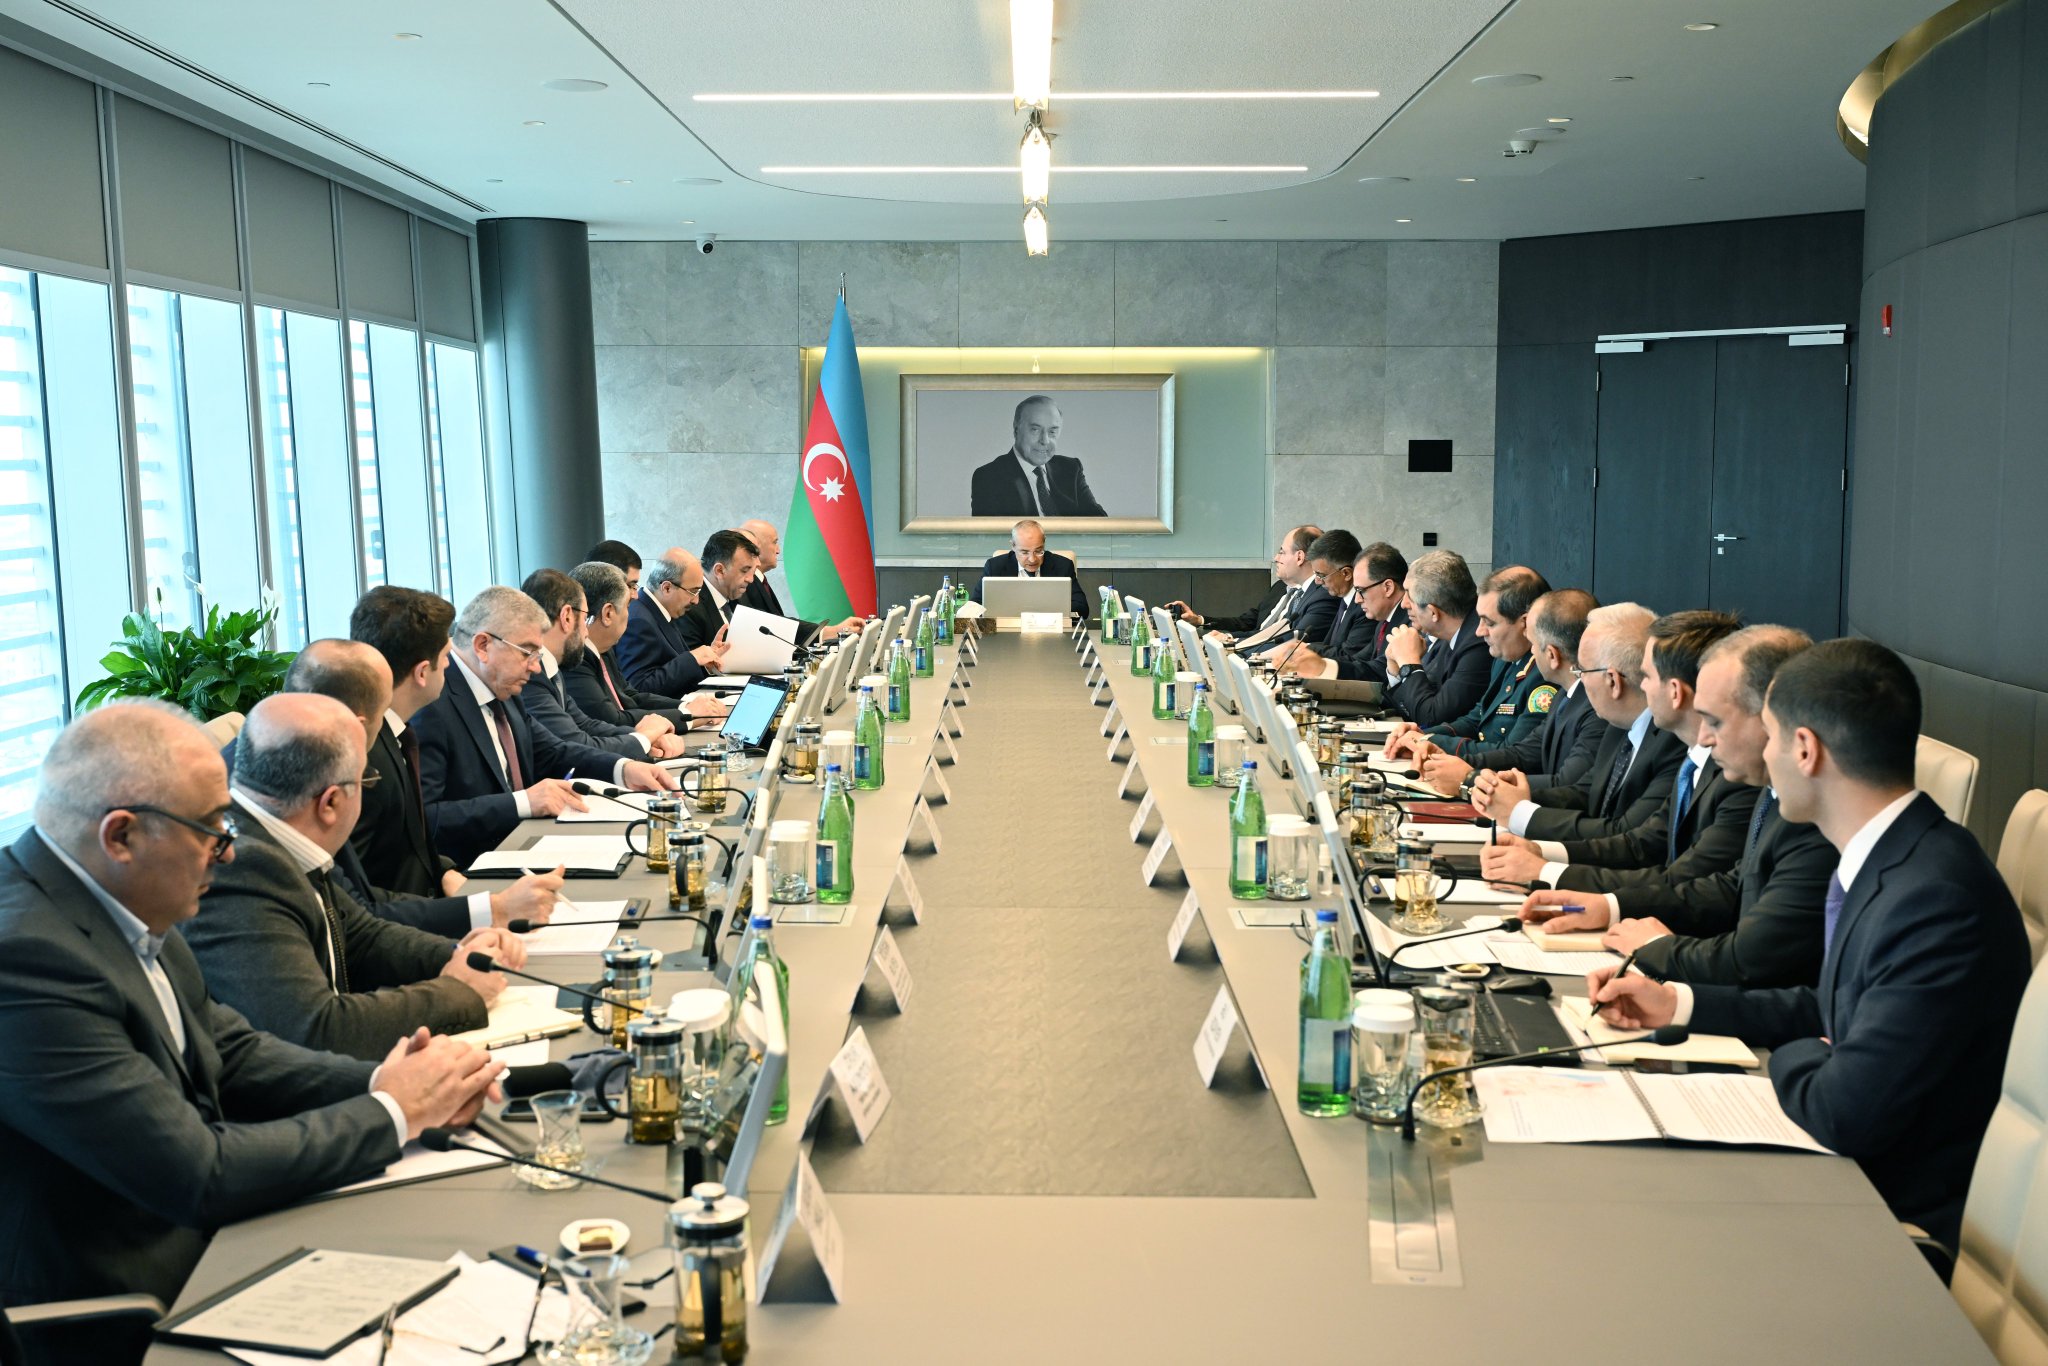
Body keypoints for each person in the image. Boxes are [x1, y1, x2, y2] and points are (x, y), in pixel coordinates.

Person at [0, 700, 503, 1315]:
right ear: (122, 836)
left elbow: (231, 1051)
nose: (229, 852)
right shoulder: (25, 959)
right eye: (212, 829)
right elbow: (197, 1173)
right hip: (132, 1301)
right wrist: (393, 1111)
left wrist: (385, 1082)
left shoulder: (124, 902)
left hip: (212, 1241)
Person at [1584, 639, 2028, 1251]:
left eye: (1768, 736)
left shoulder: (1934, 898)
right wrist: (1678, 1005)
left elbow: (1842, 1110)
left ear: (1804, 749)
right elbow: (1829, 1009)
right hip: (1850, 1171)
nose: (1762, 756)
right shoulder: (1891, 857)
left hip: (1892, 1217)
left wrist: (1803, 1054)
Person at [185, 694, 525, 1060]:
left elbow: (359, 934)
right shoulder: (241, 869)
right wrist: (457, 991)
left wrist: (460, 955)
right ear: (331, 802)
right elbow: (317, 1029)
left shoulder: (277, 831)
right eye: (367, 779)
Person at [1517, 626, 1833, 990]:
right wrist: (1609, 906)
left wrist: (1657, 948)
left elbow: (1750, 958)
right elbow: (1729, 886)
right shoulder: (1773, 793)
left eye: (1715, 721)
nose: (1704, 737)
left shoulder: (1784, 804)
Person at [243, 638, 560, 938]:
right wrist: (490, 911)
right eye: (384, 712)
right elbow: (358, 916)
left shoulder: (289, 762)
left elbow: (357, 902)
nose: (450, 665)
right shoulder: (339, 778)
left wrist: (446, 875)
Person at [1481, 610, 1753, 891]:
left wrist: (1545, 870)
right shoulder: (1637, 735)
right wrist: (1540, 851)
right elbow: (1640, 841)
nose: (1640, 685)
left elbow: (1682, 878)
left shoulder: (1725, 771)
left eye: (1646, 676)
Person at [411, 587, 679, 867]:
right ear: (483, 646)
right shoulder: (431, 703)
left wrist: (623, 768)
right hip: (471, 870)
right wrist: (524, 802)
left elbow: (552, 752)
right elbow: (426, 819)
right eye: (527, 652)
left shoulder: (502, 686)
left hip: (527, 848)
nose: (536, 668)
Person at [1471, 602, 1685, 841]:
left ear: (1613, 681)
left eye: (1582, 671)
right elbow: (1587, 792)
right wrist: (1513, 794)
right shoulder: (1619, 728)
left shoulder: (1672, 743)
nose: (1579, 680)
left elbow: (1626, 836)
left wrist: (1520, 813)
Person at [1411, 587, 1602, 794]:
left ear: (1552, 656)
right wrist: (1450, 758)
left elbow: (1568, 786)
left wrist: (1470, 779)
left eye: (1534, 644)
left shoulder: (1594, 707)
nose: (1532, 651)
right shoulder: (1567, 695)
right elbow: (1525, 751)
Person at [1383, 566, 1553, 771]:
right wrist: (1421, 734)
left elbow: (1512, 754)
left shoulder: (1544, 675)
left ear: (1525, 624)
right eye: (1479, 619)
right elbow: (1475, 719)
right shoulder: (1505, 660)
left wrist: (1430, 742)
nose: (1479, 631)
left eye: (1489, 623)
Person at [519, 568, 686, 760]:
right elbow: (576, 743)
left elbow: (586, 725)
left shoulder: (551, 668)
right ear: (566, 617)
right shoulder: (532, 675)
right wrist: (644, 738)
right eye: (584, 619)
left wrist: (643, 738)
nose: (586, 632)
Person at [565, 560, 724, 733]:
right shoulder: (575, 659)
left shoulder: (603, 649)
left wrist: (687, 706)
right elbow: (612, 719)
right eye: (627, 606)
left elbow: (631, 696)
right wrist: (688, 715)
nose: (631, 610)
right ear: (608, 613)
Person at [1378, 550, 1492, 728]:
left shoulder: (1478, 644)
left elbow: (1431, 718)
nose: (1404, 604)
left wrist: (1409, 664)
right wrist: (1396, 669)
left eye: (1409, 595)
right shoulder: (1449, 634)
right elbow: (1414, 705)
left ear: (1433, 613)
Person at [1281, 540, 1408, 681]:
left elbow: (1377, 671)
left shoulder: (1408, 624)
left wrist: (1323, 666)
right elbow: (1362, 663)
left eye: (1361, 591)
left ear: (1388, 587)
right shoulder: (1385, 621)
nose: (1357, 599)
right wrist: (1321, 665)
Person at [615, 547, 729, 698]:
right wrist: (693, 658)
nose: (696, 601)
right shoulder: (639, 621)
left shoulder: (660, 611)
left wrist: (705, 662)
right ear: (667, 588)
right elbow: (640, 688)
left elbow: (673, 670)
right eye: (693, 592)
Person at [968, 394, 1107, 518]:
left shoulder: (1071, 469)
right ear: (1016, 430)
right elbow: (992, 536)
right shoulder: (989, 477)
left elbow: (1100, 524)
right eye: (1035, 430)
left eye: (1052, 432)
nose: (1044, 441)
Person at [735, 519, 859, 645]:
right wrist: (832, 631)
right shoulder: (745, 585)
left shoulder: (759, 581)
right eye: (774, 542)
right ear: (755, 547)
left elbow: (777, 622)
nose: (778, 550)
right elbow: (766, 625)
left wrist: (833, 631)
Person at [971, 518, 1089, 617]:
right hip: (1007, 630)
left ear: (1044, 543)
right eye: (1024, 552)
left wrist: (1038, 611)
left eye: (1038, 551)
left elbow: (1082, 608)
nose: (1032, 559)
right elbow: (975, 606)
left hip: (1050, 630)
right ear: (1013, 546)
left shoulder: (1062, 566)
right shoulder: (995, 567)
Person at [677, 529, 760, 651]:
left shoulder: (738, 594)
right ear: (719, 571)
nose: (750, 579)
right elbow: (692, 659)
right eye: (744, 570)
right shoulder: (690, 606)